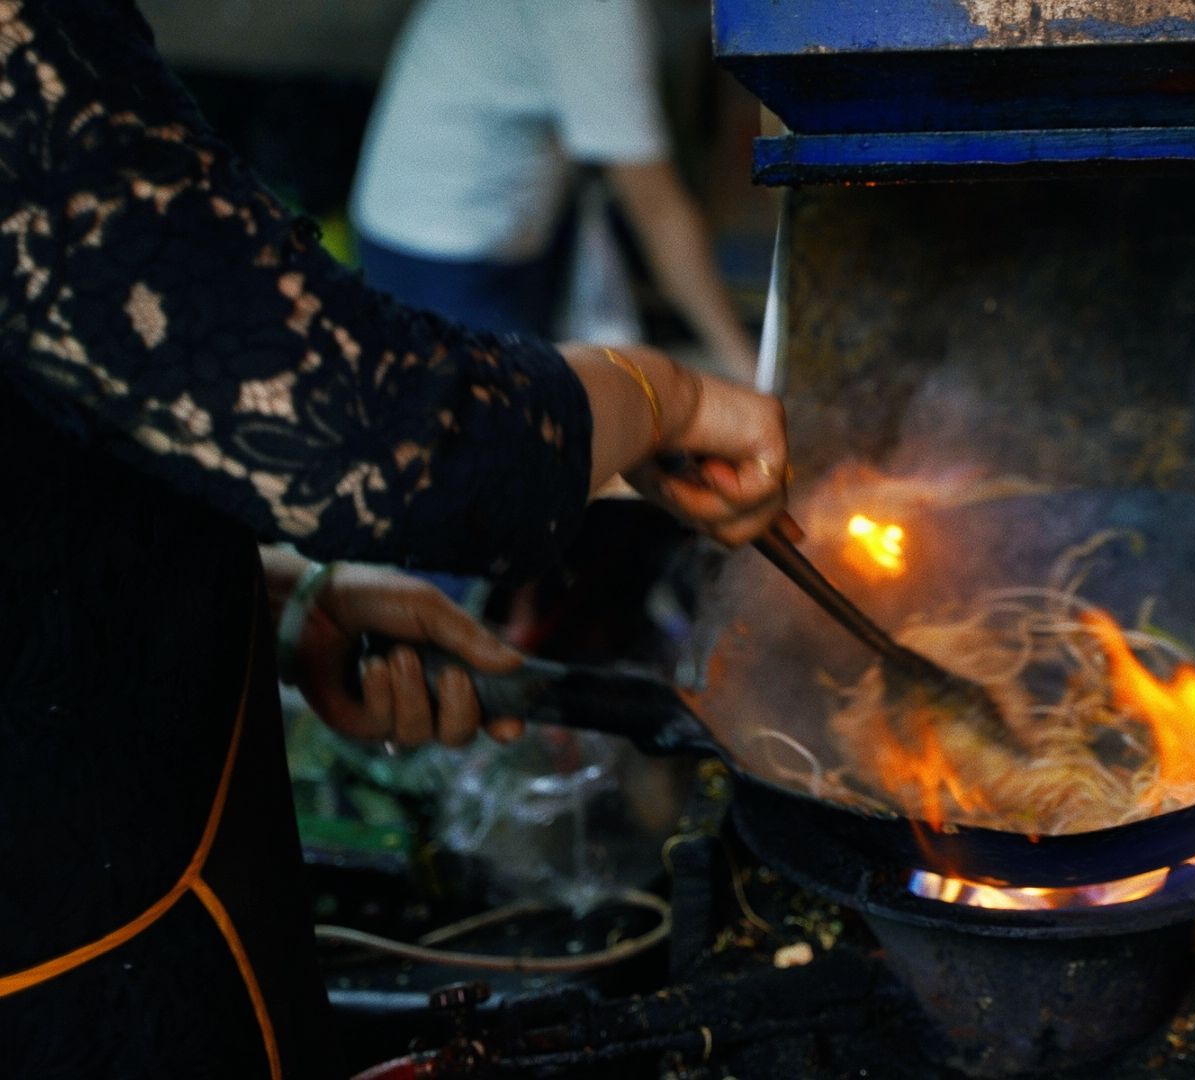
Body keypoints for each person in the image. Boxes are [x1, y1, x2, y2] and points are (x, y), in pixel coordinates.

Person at [0, 1, 788, 1076]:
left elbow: (56, 449)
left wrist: (279, 601)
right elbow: (359, 431)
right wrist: (661, 394)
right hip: (73, 967)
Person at [350, 0, 759, 381]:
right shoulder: (591, 11)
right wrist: (748, 368)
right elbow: (657, 210)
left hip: (460, 225)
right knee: (496, 416)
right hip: (440, 254)